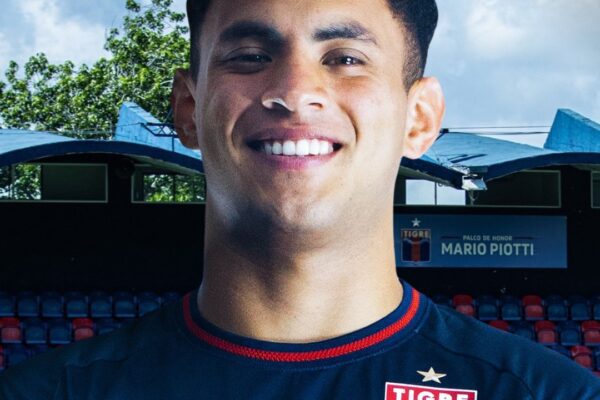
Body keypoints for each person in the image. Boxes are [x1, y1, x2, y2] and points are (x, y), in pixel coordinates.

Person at [1, 0, 599, 398]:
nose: (294, 92)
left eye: (345, 59)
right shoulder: (47, 393)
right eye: (251, 57)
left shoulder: (550, 394)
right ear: (188, 108)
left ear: (419, 117)